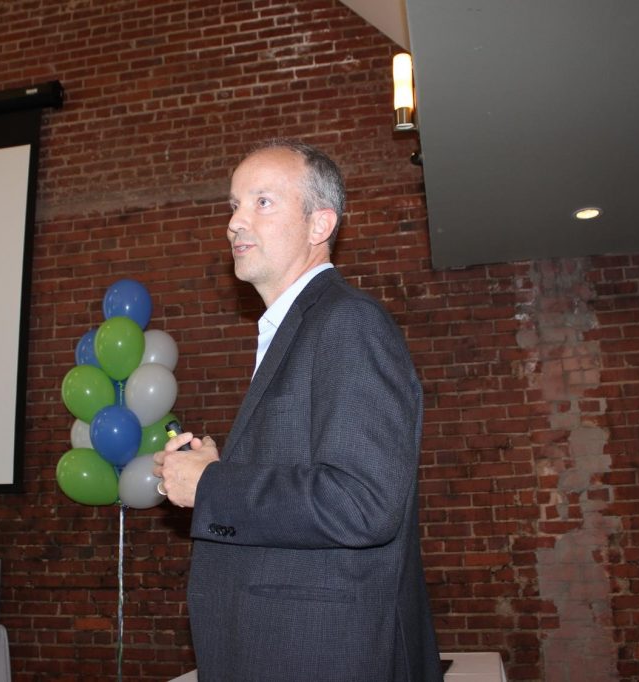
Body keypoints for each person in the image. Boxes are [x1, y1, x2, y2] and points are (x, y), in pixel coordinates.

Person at [153, 140, 442, 681]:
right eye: (234, 205)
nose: (236, 221)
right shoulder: (297, 328)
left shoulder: (347, 323)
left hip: (323, 656)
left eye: (262, 202)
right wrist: (222, 470)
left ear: (319, 225)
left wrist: (213, 486)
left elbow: (363, 503)